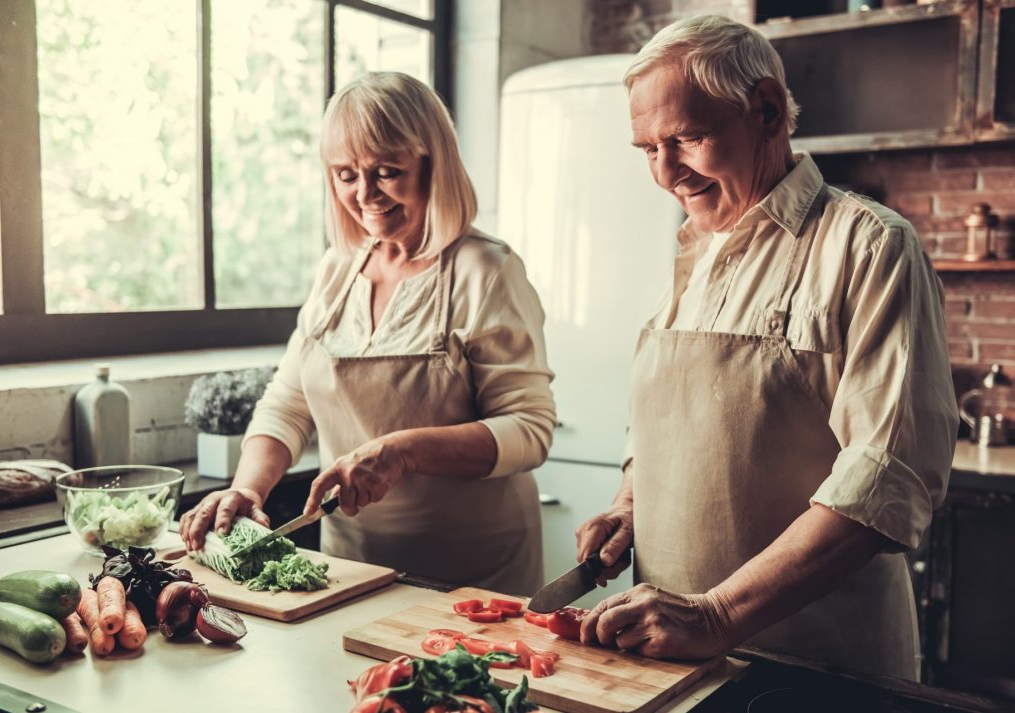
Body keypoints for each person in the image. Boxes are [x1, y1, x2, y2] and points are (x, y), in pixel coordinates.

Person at [574, 15, 958, 679]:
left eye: (686, 138)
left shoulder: (869, 247)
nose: (665, 173)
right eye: (646, 149)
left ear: (768, 112)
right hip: (673, 662)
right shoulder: (692, 252)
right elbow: (679, 420)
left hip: (818, 665)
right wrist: (631, 500)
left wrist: (718, 613)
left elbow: (890, 472)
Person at [180, 72, 556, 596]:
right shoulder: (337, 270)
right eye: (345, 174)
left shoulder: (486, 270)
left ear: (433, 164)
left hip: (474, 579)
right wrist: (248, 487)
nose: (365, 194)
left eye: (386, 171)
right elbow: (287, 404)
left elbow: (529, 431)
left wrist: (404, 450)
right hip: (351, 567)